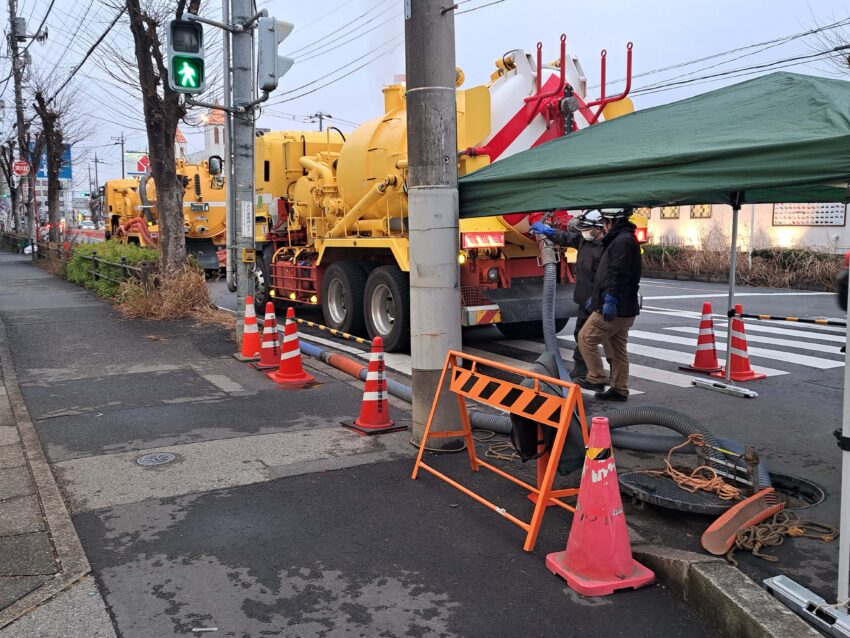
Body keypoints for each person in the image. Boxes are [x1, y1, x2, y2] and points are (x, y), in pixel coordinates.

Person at [530, 210, 605, 379]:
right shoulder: (584, 241)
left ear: (599, 228)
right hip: (585, 298)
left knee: (597, 339)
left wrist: (601, 297)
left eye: (587, 228)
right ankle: (582, 369)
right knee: (580, 334)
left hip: (599, 300)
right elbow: (566, 238)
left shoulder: (607, 247)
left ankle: (601, 377)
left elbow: (609, 277)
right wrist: (549, 231)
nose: (583, 232)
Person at [576, 207, 642, 401]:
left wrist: (609, 299)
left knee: (586, 338)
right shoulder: (624, 239)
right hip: (625, 307)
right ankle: (620, 389)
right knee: (617, 350)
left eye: (604, 221)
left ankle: (596, 377)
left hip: (615, 307)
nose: (603, 225)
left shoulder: (621, 241)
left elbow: (617, 274)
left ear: (611, 222)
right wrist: (597, 296)